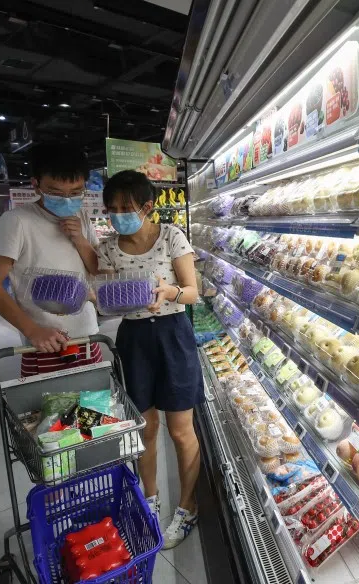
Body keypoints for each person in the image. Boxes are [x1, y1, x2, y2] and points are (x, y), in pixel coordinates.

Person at [97, 170, 202, 549]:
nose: (118, 216)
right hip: (134, 339)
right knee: (145, 427)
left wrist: (169, 290)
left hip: (173, 335)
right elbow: (107, 299)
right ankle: (151, 499)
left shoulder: (172, 237)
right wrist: (100, 298)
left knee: (180, 429)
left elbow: (193, 292)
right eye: (112, 209)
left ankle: (188, 506)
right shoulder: (108, 248)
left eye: (126, 208)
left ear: (147, 206)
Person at [0, 144, 102, 376]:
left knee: (95, 406)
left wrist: (80, 239)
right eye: (56, 192)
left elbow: (96, 269)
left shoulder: (82, 216)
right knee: (49, 410)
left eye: (76, 192)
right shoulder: (16, 221)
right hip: (46, 342)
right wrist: (33, 330)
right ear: (35, 184)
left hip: (88, 334)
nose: (67, 200)